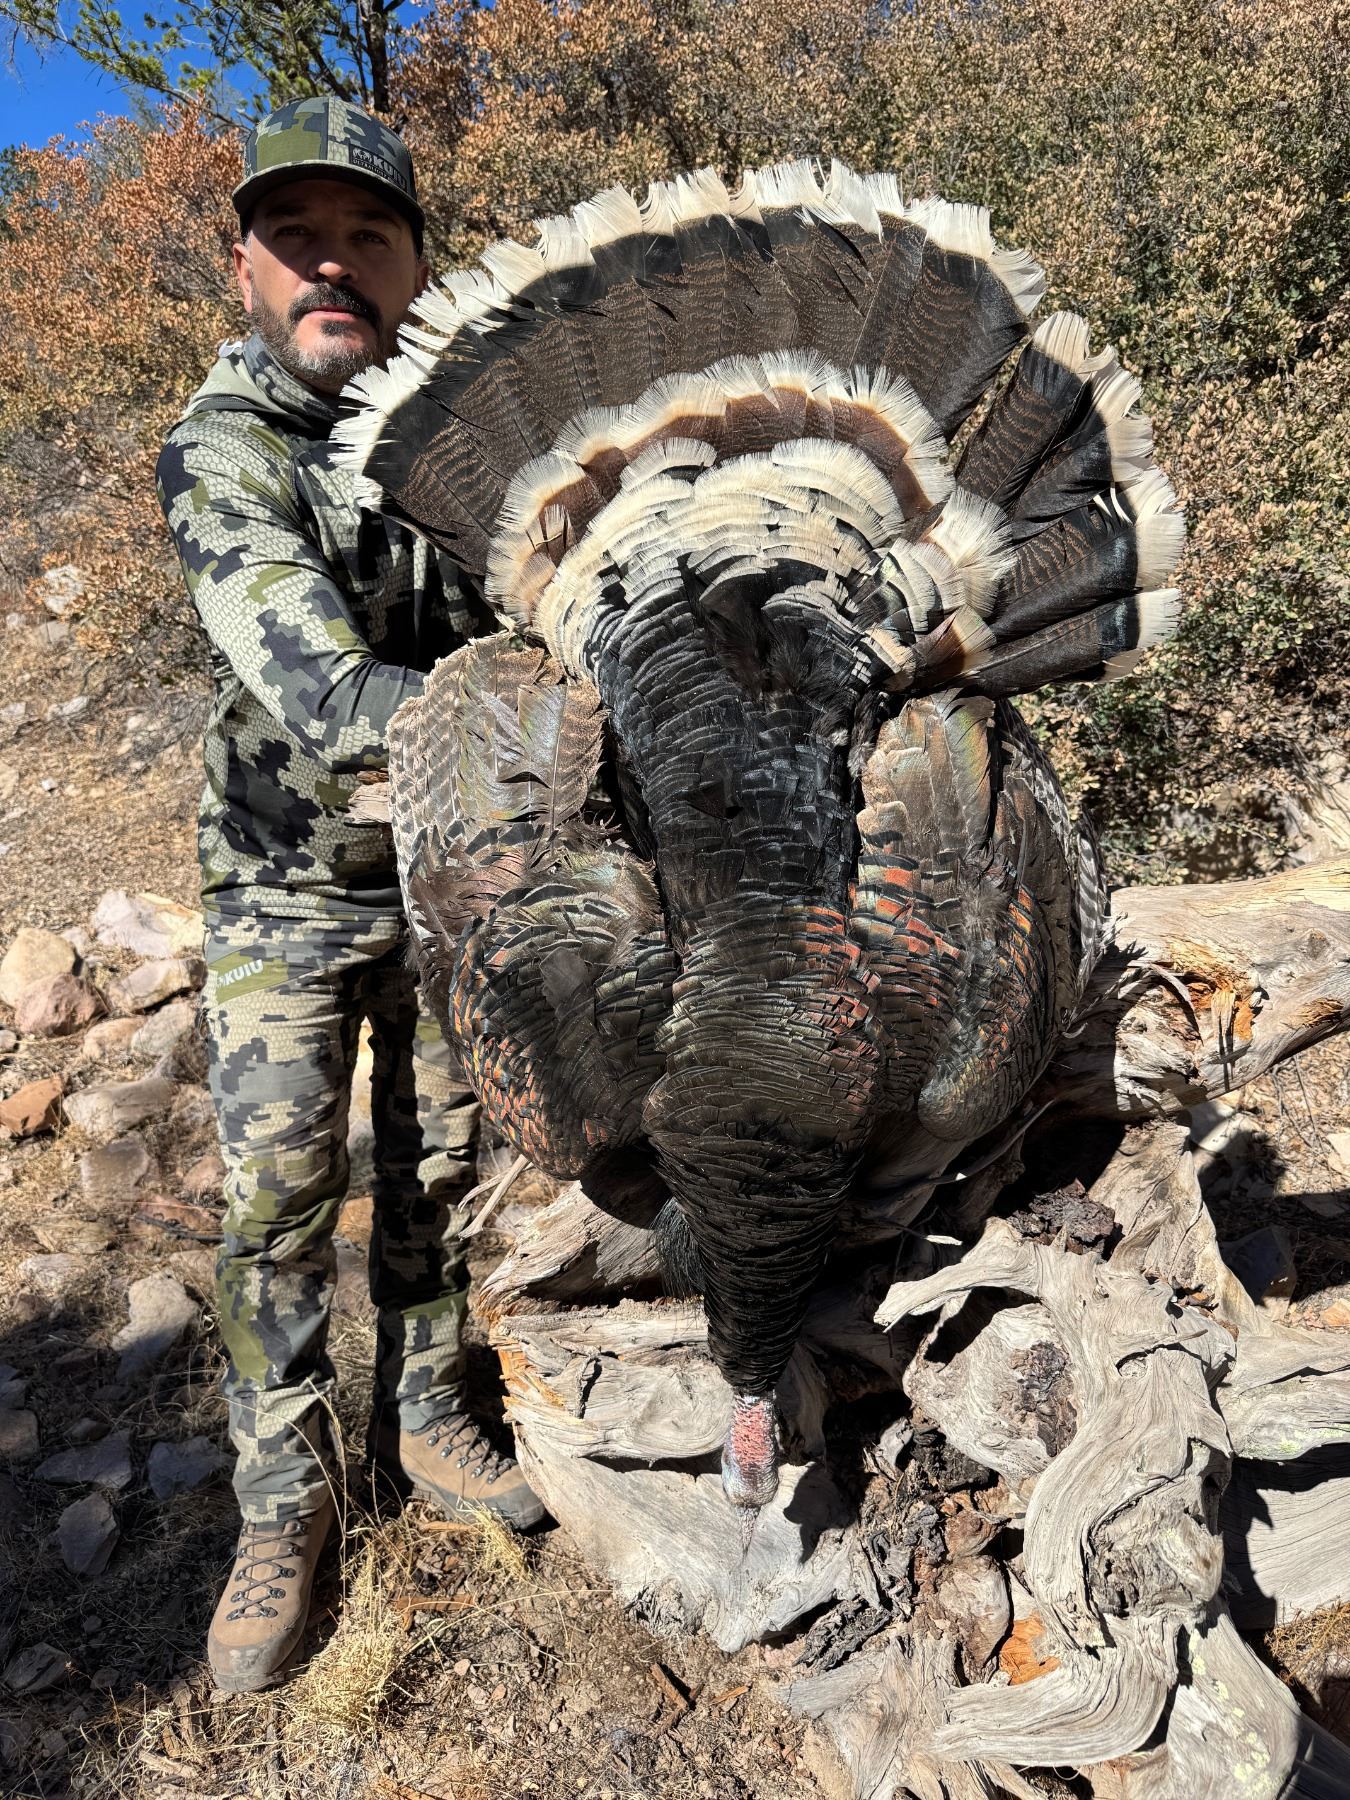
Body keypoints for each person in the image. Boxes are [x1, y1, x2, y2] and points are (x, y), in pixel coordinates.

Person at [156, 96, 544, 1696]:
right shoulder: (223, 448)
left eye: (367, 234)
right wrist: (540, 728)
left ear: (413, 265)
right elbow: (315, 682)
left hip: (452, 881)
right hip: (286, 894)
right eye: (296, 235)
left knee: (441, 1166)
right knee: (277, 1200)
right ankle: (282, 1498)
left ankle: (429, 1408)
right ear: (244, 267)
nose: (333, 263)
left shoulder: (469, 435)